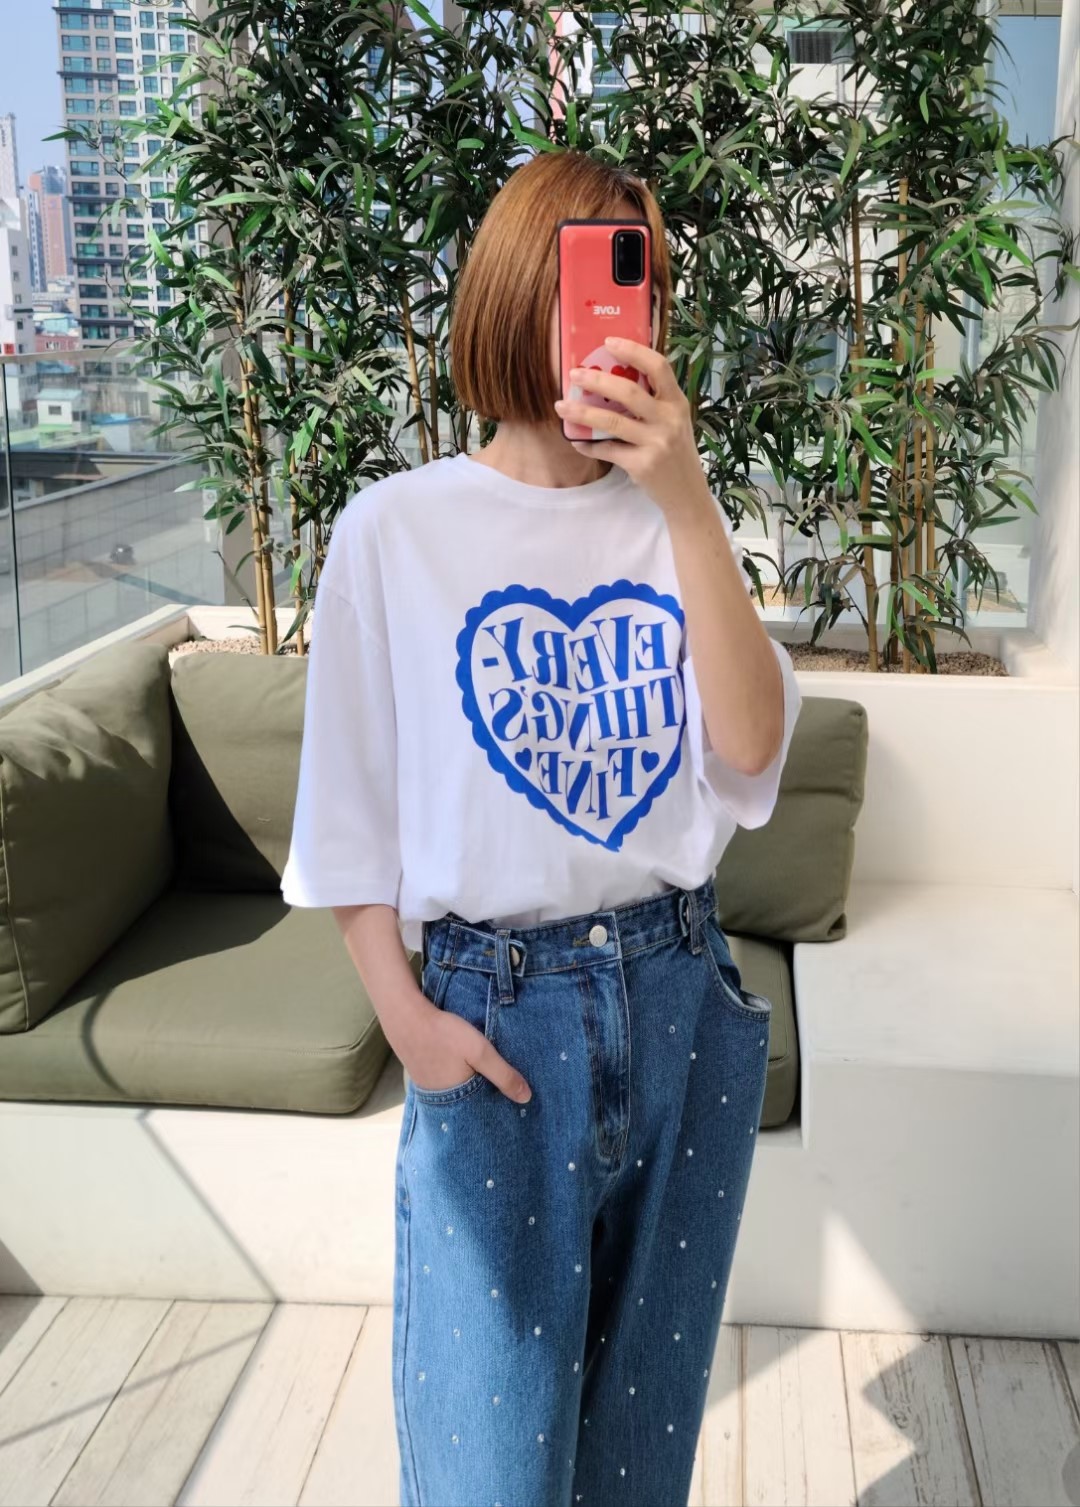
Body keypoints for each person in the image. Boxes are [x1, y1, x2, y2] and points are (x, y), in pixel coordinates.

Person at [280, 148, 803, 1507]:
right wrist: (407, 1020)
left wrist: (688, 498)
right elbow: (346, 813)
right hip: (497, 1026)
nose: (628, 315)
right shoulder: (394, 533)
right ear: (524, 292)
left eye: (645, 285)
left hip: (680, 999)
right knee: (490, 1474)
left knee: (639, 1467)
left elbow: (752, 751)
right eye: (596, 277)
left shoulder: (678, 524)